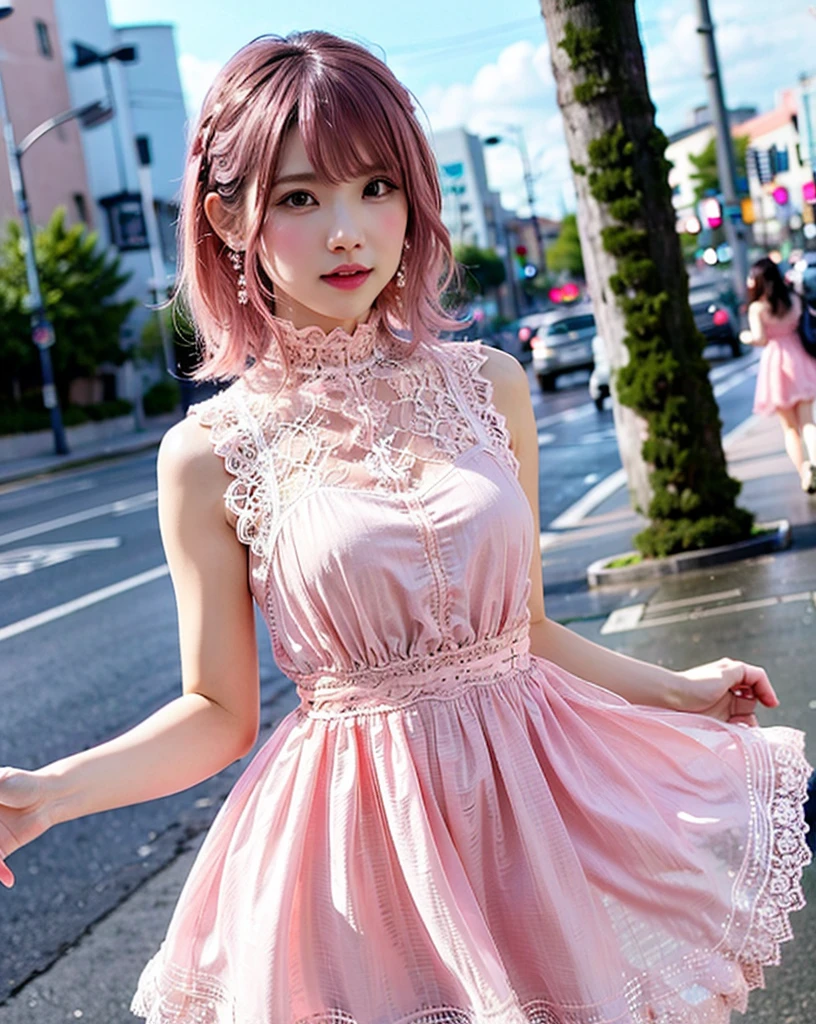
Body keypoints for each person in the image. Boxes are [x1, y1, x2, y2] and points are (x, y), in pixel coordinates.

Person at [0, 32, 812, 1024]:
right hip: (363, 850)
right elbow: (217, 709)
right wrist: (50, 792)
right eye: (300, 197)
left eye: (375, 186)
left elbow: (525, 631)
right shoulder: (212, 451)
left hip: (532, 812)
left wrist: (679, 692)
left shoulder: (489, 386)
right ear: (228, 217)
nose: (348, 231)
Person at [740, 256, 816, 494]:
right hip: (800, 359)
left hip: (777, 365)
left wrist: (746, 337)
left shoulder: (758, 309)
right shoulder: (794, 299)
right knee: (808, 422)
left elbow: (761, 339)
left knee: (790, 429)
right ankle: (815, 462)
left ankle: (805, 470)